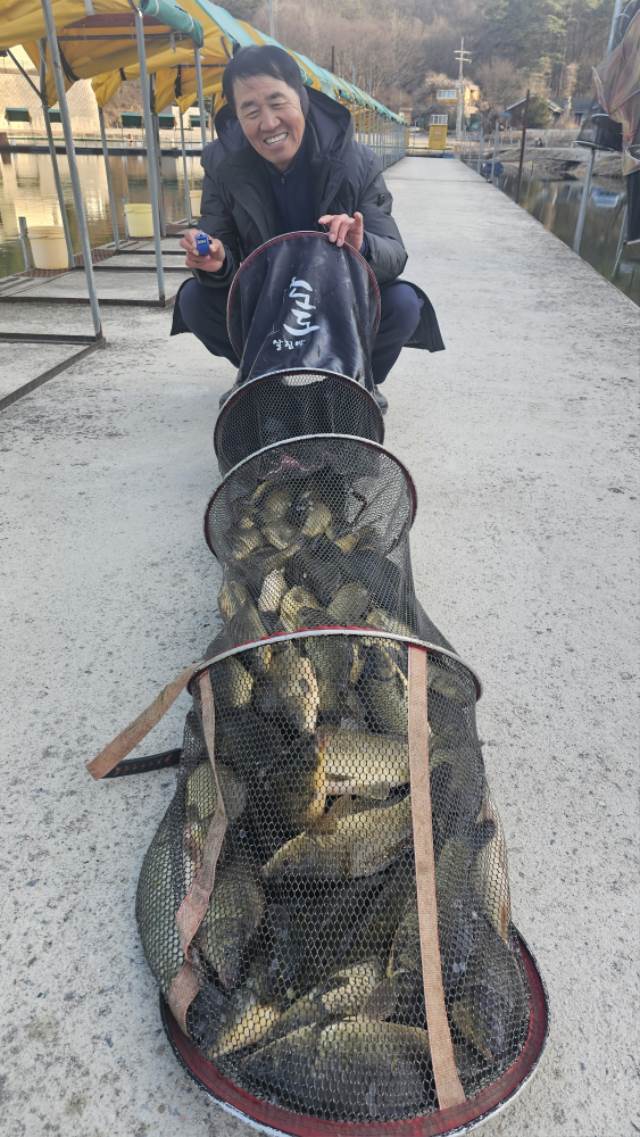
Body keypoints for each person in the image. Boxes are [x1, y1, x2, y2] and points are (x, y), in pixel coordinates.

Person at [171, 45, 444, 413]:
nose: (269, 123)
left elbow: (394, 253)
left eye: (277, 103)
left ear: (301, 98)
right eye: (251, 111)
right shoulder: (222, 164)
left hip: (337, 299)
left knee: (403, 304)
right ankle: (258, 377)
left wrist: (362, 247)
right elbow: (219, 245)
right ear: (236, 116)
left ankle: (358, 382)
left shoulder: (356, 161)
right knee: (195, 300)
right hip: (263, 301)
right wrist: (215, 261)